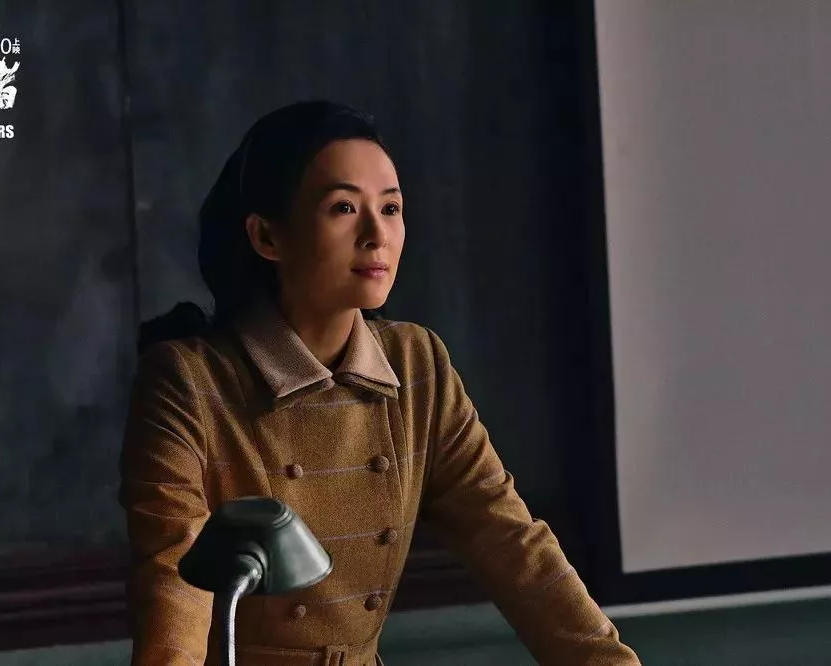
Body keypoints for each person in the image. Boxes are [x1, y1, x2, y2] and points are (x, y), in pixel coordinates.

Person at [118, 100, 640, 665]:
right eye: (343, 208)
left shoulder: (416, 363)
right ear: (267, 236)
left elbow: (511, 542)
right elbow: (176, 578)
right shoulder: (188, 380)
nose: (376, 235)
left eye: (391, 208)